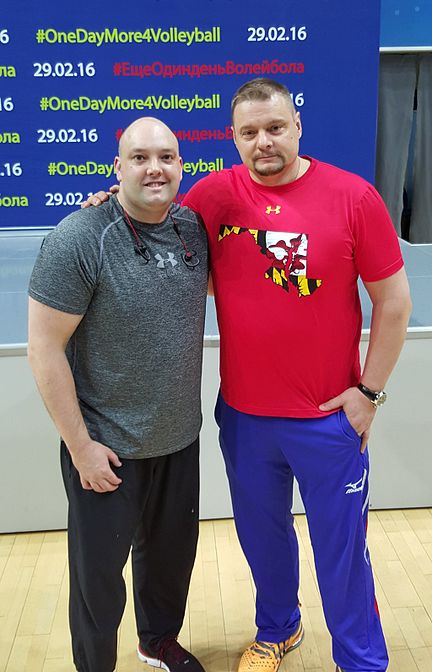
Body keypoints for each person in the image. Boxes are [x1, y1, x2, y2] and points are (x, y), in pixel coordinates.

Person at [88, 79, 412, 672]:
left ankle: (362, 660)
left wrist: (368, 393)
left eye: (275, 127)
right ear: (233, 139)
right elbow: (150, 214)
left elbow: (393, 302)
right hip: (244, 418)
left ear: (297, 127)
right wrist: (110, 200)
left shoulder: (354, 197)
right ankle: (278, 630)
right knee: (263, 542)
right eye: (248, 132)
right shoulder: (214, 198)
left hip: (327, 419)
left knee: (341, 553)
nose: (263, 142)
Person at [28, 117, 209, 672]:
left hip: (179, 439)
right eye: (139, 157)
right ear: (117, 167)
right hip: (106, 449)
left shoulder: (194, 229)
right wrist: (81, 447)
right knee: (98, 582)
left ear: (182, 166)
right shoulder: (79, 238)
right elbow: (44, 350)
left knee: (171, 563)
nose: (154, 168)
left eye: (166, 157)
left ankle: (157, 642)